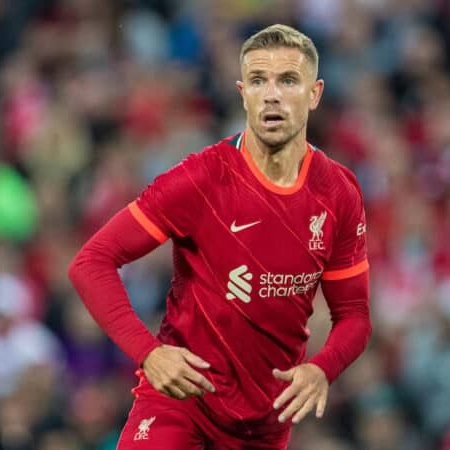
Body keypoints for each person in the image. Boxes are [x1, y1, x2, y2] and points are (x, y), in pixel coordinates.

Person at [69, 24, 372, 449]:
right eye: (257, 81)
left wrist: (322, 368)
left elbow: (354, 314)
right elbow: (91, 262)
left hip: (264, 425)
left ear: (315, 93)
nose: (271, 94)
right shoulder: (202, 179)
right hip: (182, 403)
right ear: (242, 92)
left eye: (288, 80)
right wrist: (149, 353)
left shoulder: (338, 192)